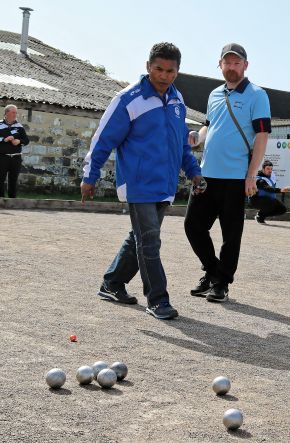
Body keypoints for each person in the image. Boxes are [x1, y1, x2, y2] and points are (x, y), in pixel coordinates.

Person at [81, 42, 203, 320]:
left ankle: (112, 283)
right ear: (148, 67)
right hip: (138, 183)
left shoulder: (177, 101)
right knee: (150, 241)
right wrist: (90, 175)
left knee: (140, 236)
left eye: (170, 71)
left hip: (165, 184)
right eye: (158, 69)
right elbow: (102, 140)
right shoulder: (128, 100)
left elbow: (182, 144)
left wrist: (194, 171)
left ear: (177, 71)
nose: (164, 76)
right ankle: (158, 299)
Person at [185, 43, 271, 302]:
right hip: (207, 175)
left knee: (231, 235)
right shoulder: (214, 95)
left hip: (236, 177)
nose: (231, 67)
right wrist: (196, 138)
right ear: (219, 64)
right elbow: (208, 127)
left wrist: (251, 174)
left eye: (236, 62)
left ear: (245, 65)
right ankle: (213, 272)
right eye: (227, 62)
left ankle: (222, 283)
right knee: (193, 226)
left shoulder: (257, 95)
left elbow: (262, 136)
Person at [0, 105, 29, 198]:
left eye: (16, 112)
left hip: (16, 158)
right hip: (2, 157)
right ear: (7, 113)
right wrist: (4, 139)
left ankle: (12, 201)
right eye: (13, 112)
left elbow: (26, 140)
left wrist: (19, 141)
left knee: (13, 180)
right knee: (0, 179)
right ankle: (1, 201)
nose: (15, 114)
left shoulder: (19, 126)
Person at [250, 160, 290, 224]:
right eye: (268, 169)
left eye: (271, 169)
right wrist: (280, 190)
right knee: (271, 202)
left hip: (268, 200)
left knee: (282, 209)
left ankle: (260, 216)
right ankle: (261, 215)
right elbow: (267, 188)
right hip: (256, 200)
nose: (270, 170)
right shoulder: (259, 179)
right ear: (263, 169)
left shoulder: (271, 176)